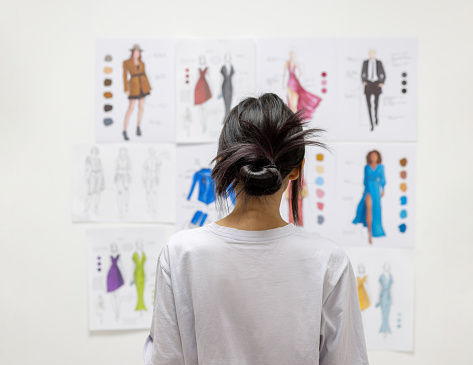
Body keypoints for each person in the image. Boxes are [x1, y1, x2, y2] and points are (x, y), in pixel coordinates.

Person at [143, 93, 369, 365]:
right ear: (297, 169)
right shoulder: (328, 262)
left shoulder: (182, 254)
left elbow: (165, 359)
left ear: (226, 161)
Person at [122, 44, 151, 141]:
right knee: (131, 107)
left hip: (143, 85)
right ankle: (125, 130)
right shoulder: (126, 62)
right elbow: (124, 75)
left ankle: (138, 126)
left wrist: (148, 87)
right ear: (132, 52)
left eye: (138, 52)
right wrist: (126, 88)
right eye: (135, 52)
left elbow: (145, 74)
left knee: (141, 106)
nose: (137, 54)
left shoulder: (142, 63)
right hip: (134, 86)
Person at [361, 49, 386, 131]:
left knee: (376, 104)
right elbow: (362, 73)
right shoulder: (365, 62)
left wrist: (382, 82)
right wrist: (363, 81)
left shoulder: (379, 62)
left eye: (373, 53)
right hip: (368, 84)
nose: (371, 55)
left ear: (374, 54)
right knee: (369, 105)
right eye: (370, 53)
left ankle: (376, 118)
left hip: (376, 84)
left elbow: (384, 74)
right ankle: (371, 124)